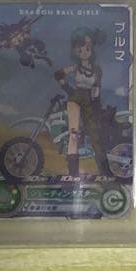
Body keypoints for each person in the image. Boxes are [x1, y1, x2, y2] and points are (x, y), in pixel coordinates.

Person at [54, 28, 109, 177]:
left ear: (91, 49)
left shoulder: (97, 69)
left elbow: (97, 88)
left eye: (87, 48)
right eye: (80, 49)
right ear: (75, 51)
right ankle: (73, 174)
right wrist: (68, 90)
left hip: (90, 101)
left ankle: (105, 171)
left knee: (95, 135)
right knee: (74, 134)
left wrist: (96, 106)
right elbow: (58, 74)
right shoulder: (75, 67)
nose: (83, 52)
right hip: (76, 99)